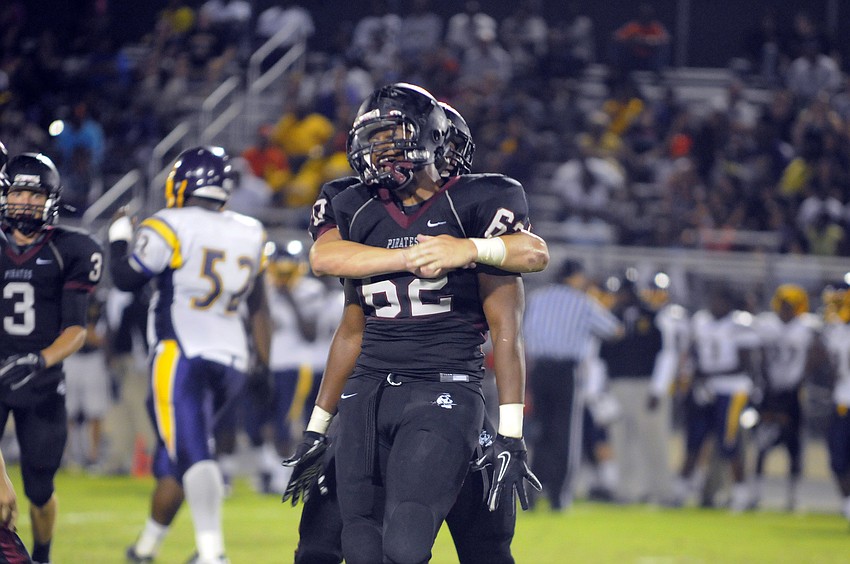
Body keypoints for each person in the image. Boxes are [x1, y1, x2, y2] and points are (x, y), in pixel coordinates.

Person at [285, 83, 542, 564]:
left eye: (392, 133)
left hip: (445, 386)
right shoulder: (352, 204)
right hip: (368, 390)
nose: (380, 148)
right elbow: (338, 295)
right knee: (348, 544)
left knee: (441, 544)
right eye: (373, 136)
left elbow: (530, 260)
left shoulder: (479, 203)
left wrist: (467, 249)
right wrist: (318, 427)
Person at [109, 146, 272, 564]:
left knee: (194, 453)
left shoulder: (170, 223)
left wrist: (119, 238)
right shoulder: (251, 230)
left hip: (182, 351)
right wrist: (264, 363)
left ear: (181, 184)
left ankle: (212, 553)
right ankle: (145, 548)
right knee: (178, 458)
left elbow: (127, 278)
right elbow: (259, 306)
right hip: (233, 357)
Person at [0, 151, 104, 564]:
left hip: (41, 383)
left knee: (40, 489)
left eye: (34, 192)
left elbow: (76, 329)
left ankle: (42, 555)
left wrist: (38, 361)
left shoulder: (71, 248)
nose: (24, 201)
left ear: (52, 199)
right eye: (18, 191)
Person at [522, 259, 622, 510]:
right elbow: (614, 330)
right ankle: (558, 495)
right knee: (564, 434)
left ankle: (533, 491)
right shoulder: (582, 302)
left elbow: (525, 331)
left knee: (540, 431)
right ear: (575, 277)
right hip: (566, 372)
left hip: (538, 370)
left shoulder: (537, 297)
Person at [671, 285, 761, 512]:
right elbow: (693, 352)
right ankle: (680, 493)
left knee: (728, 444)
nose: (715, 305)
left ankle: (740, 495)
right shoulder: (700, 320)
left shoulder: (740, 323)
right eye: (712, 299)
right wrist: (694, 377)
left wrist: (707, 374)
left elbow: (744, 365)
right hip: (706, 390)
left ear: (730, 302)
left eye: (719, 300)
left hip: (732, 391)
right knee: (694, 440)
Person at [752, 284, 827, 510]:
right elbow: (761, 355)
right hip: (770, 391)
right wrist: (766, 383)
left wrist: (800, 379)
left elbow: (817, 354)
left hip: (794, 393)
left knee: (794, 444)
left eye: (791, 306)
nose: (786, 310)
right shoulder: (767, 324)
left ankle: (793, 496)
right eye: (783, 305)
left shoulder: (807, 327)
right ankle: (755, 493)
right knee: (762, 441)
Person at [598, 276, 668, 504]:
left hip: (645, 385)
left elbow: (665, 355)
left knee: (652, 439)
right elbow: (601, 357)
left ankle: (659, 491)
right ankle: (626, 491)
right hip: (618, 385)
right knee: (621, 440)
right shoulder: (610, 317)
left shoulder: (653, 316)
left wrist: (658, 388)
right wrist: (602, 390)